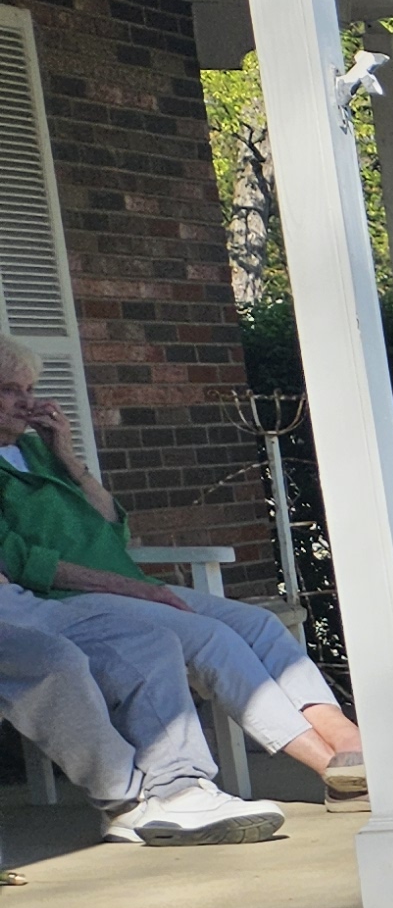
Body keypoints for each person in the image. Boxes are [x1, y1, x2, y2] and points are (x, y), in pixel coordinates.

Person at [0, 329, 364, 797]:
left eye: (29, 389)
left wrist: (67, 456)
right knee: (212, 640)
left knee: (258, 626)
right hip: (75, 599)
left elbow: (113, 526)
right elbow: (20, 560)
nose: (25, 402)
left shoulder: (38, 450)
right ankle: (334, 770)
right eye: (10, 389)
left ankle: (349, 742)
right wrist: (132, 589)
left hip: (128, 585)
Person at [0, 579, 284, 843]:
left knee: (149, 643)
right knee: (55, 663)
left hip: (13, 599)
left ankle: (179, 787)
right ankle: (124, 805)